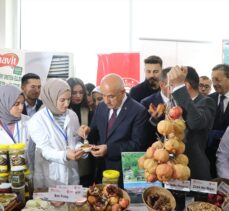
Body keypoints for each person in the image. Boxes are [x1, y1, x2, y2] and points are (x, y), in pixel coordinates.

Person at [78, 73, 148, 187]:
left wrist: (109, 149)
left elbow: (137, 145)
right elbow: (95, 132)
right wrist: (86, 131)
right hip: (101, 170)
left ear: (122, 92)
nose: (106, 101)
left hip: (123, 173)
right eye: (103, 95)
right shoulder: (101, 106)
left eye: (111, 96)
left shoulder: (138, 111)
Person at [28, 78, 86, 188]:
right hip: (50, 176)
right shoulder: (37, 120)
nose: (66, 104)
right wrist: (64, 155)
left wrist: (82, 148)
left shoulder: (72, 115)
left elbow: (75, 140)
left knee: (71, 204)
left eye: (68, 99)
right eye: (62, 100)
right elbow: (44, 150)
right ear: (51, 98)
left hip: (71, 174)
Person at [168, 65, 216, 180]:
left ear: (186, 86)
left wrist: (179, 87)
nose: (171, 89)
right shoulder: (176, 103)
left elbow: (196, 123)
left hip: (194, 170)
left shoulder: (207, 102)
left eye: (172, 85)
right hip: (172, 170)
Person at [67, 77, 94, 187]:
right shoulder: (61, 109)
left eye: (81, 92)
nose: (78, 96)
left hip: (85, 159)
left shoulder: (87, 110)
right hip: (68, 156)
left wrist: (88, 130)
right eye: (74, 93)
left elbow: (93, 131)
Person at [0, 84, 34, 170]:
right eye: (16, 104)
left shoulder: (29, 122)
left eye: (22, 103)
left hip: (26, 174)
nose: (21, 108)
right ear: (4, 103)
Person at [207, 64, 229, 178]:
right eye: (213, 80)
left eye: (218, 80)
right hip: (209, 156)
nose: (214, 84)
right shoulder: (208, 100)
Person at [141, 67, 172, 146]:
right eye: (172, 85)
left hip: (179, 148)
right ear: (162, 85)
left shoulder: (183, 101)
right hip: (155, 149)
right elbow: (142, 132)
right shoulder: (146, 103)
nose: (176, 89)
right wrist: (153, 120)